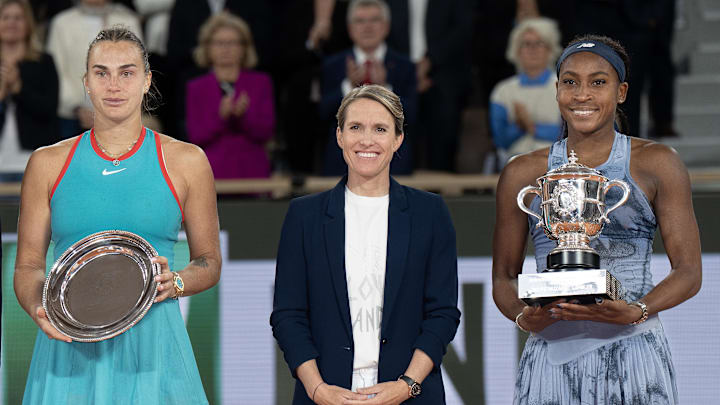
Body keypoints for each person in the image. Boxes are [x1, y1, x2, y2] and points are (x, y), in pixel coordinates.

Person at [14, 26, 221, 404]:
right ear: (86, 83)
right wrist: (38, 307)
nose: (114, 85)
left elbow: (208, 262)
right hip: (69, 351)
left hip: (155, 348)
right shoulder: (46, 163)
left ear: (146, 81)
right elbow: (27, 266)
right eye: (101, 73)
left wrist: (173, 283)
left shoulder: (188, 161)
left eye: (126, 73)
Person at [492, 34, 702, 404]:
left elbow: (688, 272)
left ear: (621, 92)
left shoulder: (658, 163)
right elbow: (503, 278)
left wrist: (636, 311)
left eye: (598, 82)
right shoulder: (521, 172)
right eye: (570, 82)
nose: (582, 94)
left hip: (636, 351)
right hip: (552, 358)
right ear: (557, 91)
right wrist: (525, 318)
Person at [270, 84, 460, 404]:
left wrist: (406, 385)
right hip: (326, 396)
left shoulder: (430, 213)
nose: (367, 140)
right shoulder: (304, 216)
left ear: (398, 139)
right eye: (356, 127)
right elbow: (288, 315)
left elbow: (442, 314)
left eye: (380, 129)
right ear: (340, 135)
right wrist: (318, 390)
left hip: (410, 396)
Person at [320, 0, 416, 176]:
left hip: (394, 168)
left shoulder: (405, 66)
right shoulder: (333, 65)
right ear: (350, 28)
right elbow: (322, 114)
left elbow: (413, 116)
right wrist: (348, 86)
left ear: (386, 26)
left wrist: (385, 89)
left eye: (374, 20)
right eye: (360, 21)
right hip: (341, 168)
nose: (367, 27)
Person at [185, 12, 275, 179]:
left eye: (232, 43)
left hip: (252, 172)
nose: (225, 48)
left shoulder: (261, 82)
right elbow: (195, 135)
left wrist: (243, 117)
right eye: (219, 43)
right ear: (208, 48)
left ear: (244, 48)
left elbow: (266, 131)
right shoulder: (196, 87)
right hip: (212, 174)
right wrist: (221, 117)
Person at [46, 0, 142, 141]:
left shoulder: (128, 20)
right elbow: (56, 70)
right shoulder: (62, 23)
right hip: (73, 118)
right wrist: (77, 108)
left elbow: (137, 68)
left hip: (120, 116)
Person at [489, 17, 562, 168]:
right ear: (516, 50)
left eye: (539, 43)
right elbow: (500, 140)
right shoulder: (502, 91)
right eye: (526, 44)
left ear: (550, 49)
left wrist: (531, 127)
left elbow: (570, 134)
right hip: (514, 163)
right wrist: (520, 126)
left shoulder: (563, 86)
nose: (532, 49)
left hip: (556, 163)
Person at [0, 0, 58, 180]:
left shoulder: (43, 62)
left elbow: (49, 109)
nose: (12, 23)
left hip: (33, 159)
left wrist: (18, 88)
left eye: (18, 18)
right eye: (6, 17)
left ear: (28, 24)